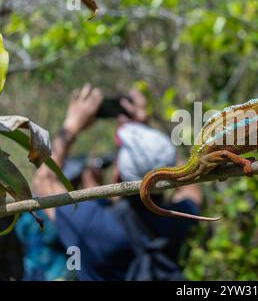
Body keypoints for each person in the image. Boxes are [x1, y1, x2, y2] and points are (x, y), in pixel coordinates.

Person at [31, 84, 202, 281]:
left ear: (118, 174)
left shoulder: (91, 224)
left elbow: (44, 182)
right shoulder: (177, 219)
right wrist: (147, 131)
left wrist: (72, 125)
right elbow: (191, 185)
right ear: (170, 174)